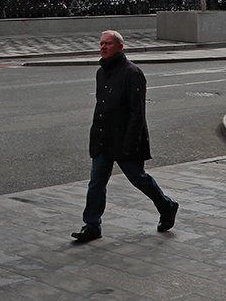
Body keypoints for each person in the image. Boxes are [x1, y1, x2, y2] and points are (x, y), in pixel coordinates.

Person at [72, 30, 178, 242]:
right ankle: (92, 225)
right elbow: (100, 107)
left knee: (139, 179)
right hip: (104, 138)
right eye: (101, 43)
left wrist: (130, 143)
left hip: (125, 140)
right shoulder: (101, 72)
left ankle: (166, 206)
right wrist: (95, 136)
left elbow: (137, 112)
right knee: (96, 182)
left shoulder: (132, 73)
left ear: (120, 47)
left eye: (108, 44)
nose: (103, 47)